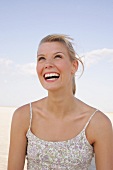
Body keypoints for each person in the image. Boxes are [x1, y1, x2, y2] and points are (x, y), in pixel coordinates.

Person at [8, 34, 113, 170]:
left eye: (57, 56)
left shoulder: (98, 123)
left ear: (74, 66)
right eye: (42, 58)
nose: (48, 64)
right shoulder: (23, 117)